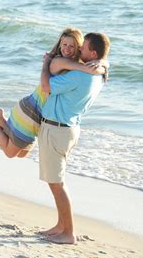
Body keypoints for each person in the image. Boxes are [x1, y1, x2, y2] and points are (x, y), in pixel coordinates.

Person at [0, 27, 107, 159]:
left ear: (79, 48)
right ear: (60, 45)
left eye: (72, 46)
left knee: (22, 153)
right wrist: (102, 66)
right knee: (10, 153)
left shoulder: (72, 64)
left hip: (39, 115)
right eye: (64, 44)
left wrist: (102, 62)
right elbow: (86, 68)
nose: (67, 49)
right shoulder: (58, 61)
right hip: (32, 111)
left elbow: (85, 68)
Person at [37, 32, 110, 244]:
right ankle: (61, 226)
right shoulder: (98, 74)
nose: (79, 50)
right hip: (67, 128)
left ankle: (68, 232)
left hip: (57, 129)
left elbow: (46, 86)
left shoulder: (81, 75)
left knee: (56, 183)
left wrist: (46, 64)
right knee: (56, 180)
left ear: (93, 53)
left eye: (83, 48)